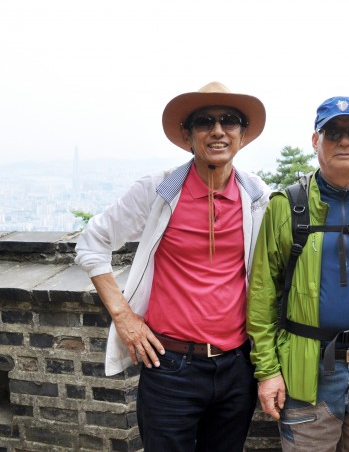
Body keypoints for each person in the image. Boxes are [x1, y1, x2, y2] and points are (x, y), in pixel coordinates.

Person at [75, 82, 269, 450]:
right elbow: (92, 242)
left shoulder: (256, 195)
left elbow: (293, 235)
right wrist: (124, 316)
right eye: (204, 121)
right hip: (170, 367)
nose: (217, 130)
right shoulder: (159, 191)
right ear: (187, 135)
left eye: (229, 120)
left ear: (242, 135)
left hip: (236, 367)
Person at [247, 96, 349, 452]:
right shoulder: (286, 207)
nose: (345, 141)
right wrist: (267, 371)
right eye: (333, 131)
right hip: (308, 372)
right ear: (315, 140)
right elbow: (261, 295)